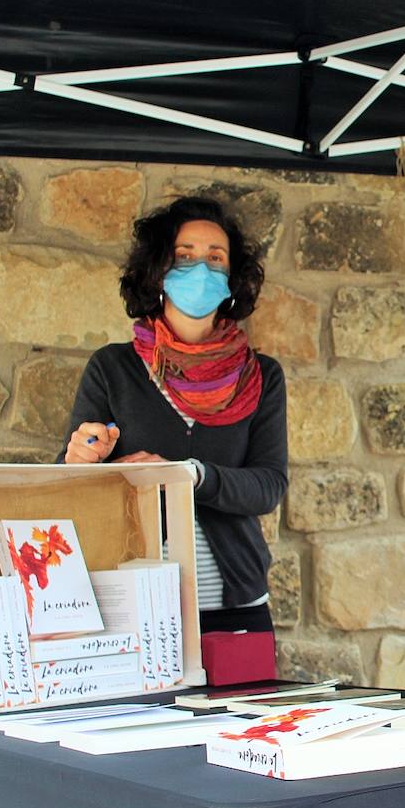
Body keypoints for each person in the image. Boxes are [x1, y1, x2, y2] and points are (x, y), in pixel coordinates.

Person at [59, 196, 288, 639]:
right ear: (158, 269)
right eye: (184, 257)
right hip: (131, 606)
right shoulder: (113, 368)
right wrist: (80, 462)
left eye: (215, 259)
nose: (200, 270)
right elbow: (72, 487)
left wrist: (191, 475)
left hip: (234, 612)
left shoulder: (261, 377)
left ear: (232, 277)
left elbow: (268, 486)